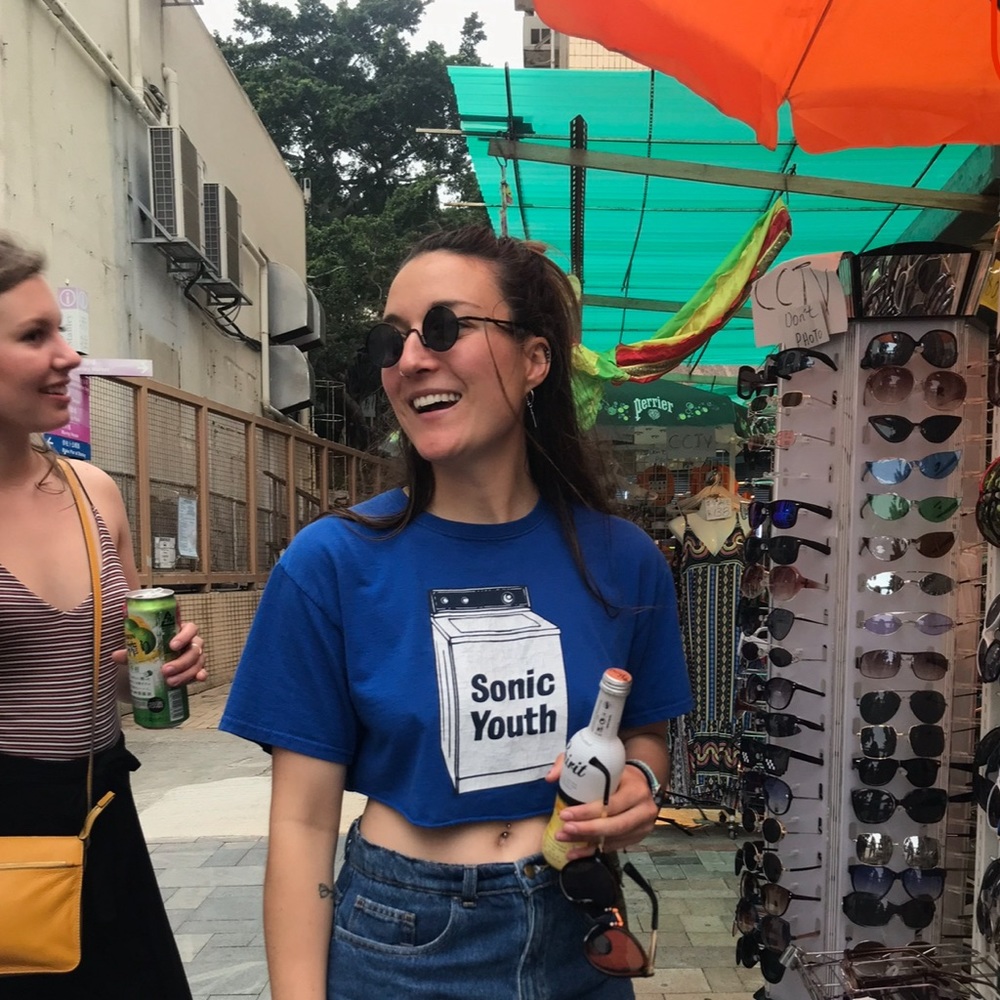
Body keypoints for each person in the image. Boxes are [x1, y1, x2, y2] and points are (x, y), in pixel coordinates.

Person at [221, 225, 693, 999]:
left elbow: (644, 730)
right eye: (391, 339)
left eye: (444, 328)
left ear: (535, 359)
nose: (410, 360)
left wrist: (641, 780)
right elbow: (302, 826)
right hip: (405, 939)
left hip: (577, 925)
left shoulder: (625, 560)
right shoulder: (329, 566)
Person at [0, 233, 207, 998]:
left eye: (60, 329)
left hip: (102, 814)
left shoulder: (95, 493)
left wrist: (152, 674)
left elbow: (105, 672)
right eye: (33, 336)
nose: (67, 355)